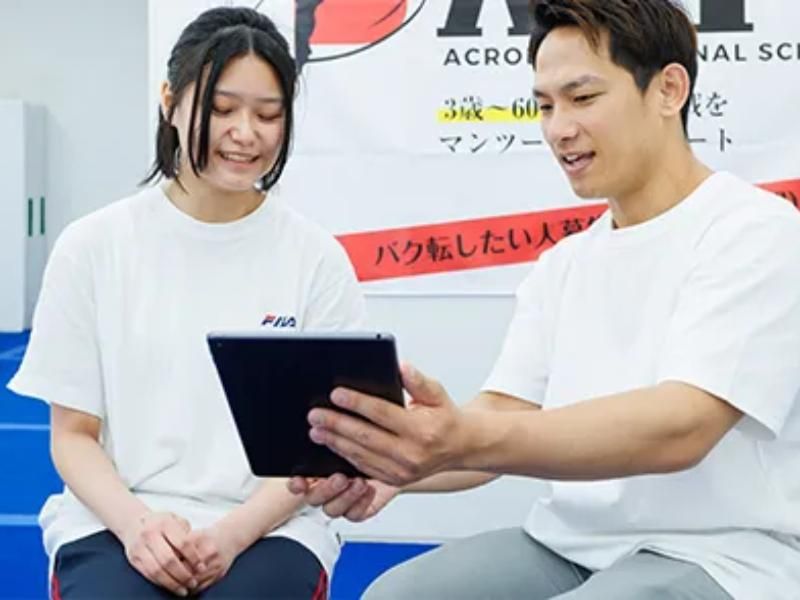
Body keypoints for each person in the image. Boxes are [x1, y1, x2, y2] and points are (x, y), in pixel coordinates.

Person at [288, 0, 800, 598]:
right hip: (569, 544)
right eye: (546, 105)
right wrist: (391, 462)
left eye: (582, 98)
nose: (559, 128)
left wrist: (460, 439)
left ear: (669, 89)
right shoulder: (566, 262)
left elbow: (682, 426)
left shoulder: (754, 232)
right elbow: (503, 414)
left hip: (725, 553)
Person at [8, 7, 364, 599]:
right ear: (169, 102)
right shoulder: (92, 246)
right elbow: (72, 436)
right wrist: (138, 527)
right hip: (115, 519)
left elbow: (320, 447)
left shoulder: (317, 259)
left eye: (268, 115)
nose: (245, 133)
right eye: (222, 109)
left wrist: (232, 535)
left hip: (271, 527)